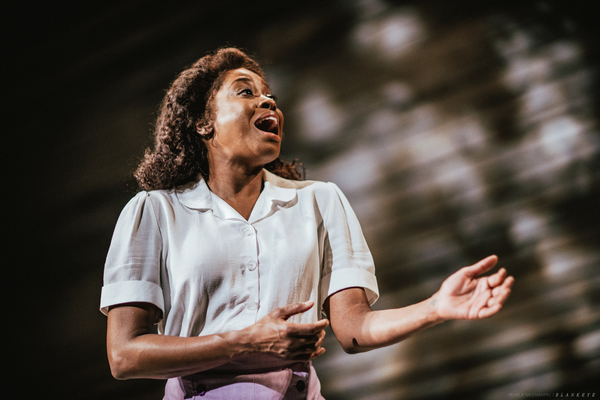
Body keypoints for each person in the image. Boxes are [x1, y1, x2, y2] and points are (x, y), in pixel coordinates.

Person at [100, 47, 514, 400]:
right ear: (203, 122)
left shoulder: (318, 200)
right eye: (247, 92)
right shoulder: (154, 212)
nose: (269, 103)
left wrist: (435, 308)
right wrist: (242, 341)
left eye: (271, 97)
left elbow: (352, 329)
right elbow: (125, 356)